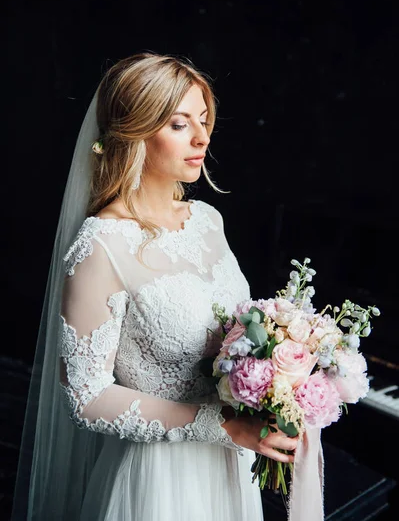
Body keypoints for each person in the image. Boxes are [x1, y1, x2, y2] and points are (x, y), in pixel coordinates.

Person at [12, 52, 298, 521]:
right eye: (180, 124)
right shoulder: (101, 246)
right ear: (135, 131)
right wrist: (221, 425)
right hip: (158, 482)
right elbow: (87, 399)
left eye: (204, 120)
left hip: (230, 469)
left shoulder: (208, 220)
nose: (203, 137)